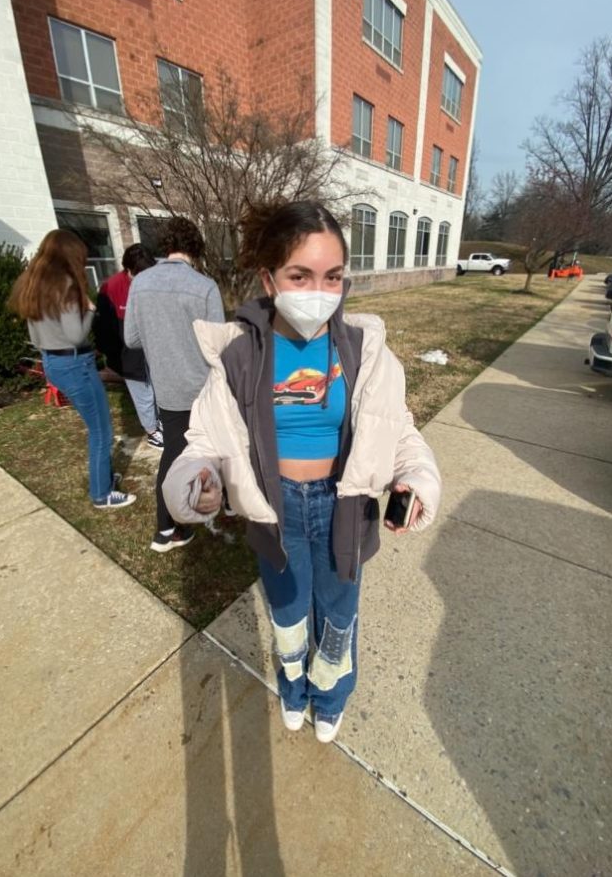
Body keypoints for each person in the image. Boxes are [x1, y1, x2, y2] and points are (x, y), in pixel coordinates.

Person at [163, 201, 441, 743]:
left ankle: (331, 696)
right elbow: (203, 440)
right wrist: (194, 481)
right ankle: (295, 690)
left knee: (338, 618)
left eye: (333, 276)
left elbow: (399, 429)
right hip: (277, 508)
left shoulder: (365, 349)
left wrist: (417, 480)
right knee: (289, 615)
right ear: (269, 279)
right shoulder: (240, 355)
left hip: (344, 508)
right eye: (301, 275)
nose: (319, 290)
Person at [8, 229, 136, 510]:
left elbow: (37, 334)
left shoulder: (33, 284)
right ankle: (102, 493)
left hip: (53, 361)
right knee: (101, 430)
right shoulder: (65, 285)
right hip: (75, 364)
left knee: (97, 428)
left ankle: (103, 478)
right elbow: (76, 334)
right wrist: (89, 310)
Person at [124, 216, 225, 552]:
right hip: (203, 388)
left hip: (167, 389)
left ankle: (168, 527)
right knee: (215, 448)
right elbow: (219, 346)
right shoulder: (205, 286)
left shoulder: (140, 282)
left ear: (165, 246)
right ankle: (180, 522)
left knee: (173, 452)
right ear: (195, 250)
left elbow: (132, 338)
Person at [93, 243, 164, 449]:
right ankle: (151, 431)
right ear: (129, 270)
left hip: (151, 345)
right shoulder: (112, 287)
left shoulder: (154, 280)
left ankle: (160, 421)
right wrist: (112, 356)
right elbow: (104, 327)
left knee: (157, 388)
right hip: (126, 351)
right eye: (140, 274)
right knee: (142, 393)